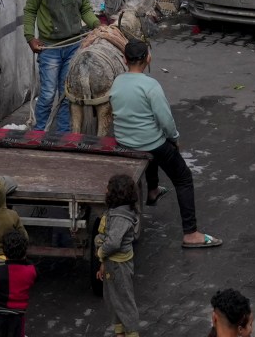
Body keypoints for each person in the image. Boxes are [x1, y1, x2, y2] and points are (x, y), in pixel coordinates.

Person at [109, 39, 221, 248]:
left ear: (125, 60)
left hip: (124, 141)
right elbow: (166, 121)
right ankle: (191, 233)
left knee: (153, 148)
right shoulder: (151, 86)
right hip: (149, 143)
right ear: (148, 58)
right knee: (183, 178)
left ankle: (152, 190)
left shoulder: (117, 81)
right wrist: (175, 139)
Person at [23, 0, 94, 132]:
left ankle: (62, 134)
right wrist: (30, 37)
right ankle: (38, 134)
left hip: (72, 46)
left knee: (65, 94)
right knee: (46, 94)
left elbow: (86, 9)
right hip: (50, 48)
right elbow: (30, 11)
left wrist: (98, 25)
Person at [96, 175, 142, 337]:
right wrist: (103, 263)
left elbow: (113, 243)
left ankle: (131, 332)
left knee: (124, 301)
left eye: (108, 189)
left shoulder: (120, 217)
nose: (105, 191)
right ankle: (120, 332)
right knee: (113, 299)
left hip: (118, 266)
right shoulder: (122, 212)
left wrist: (101, 251)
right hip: (112, 264)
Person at [0, 229, 37, 337]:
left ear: (4, 252)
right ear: (25, 252)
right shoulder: (31, 271)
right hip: (18, 316)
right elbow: (29, 264)